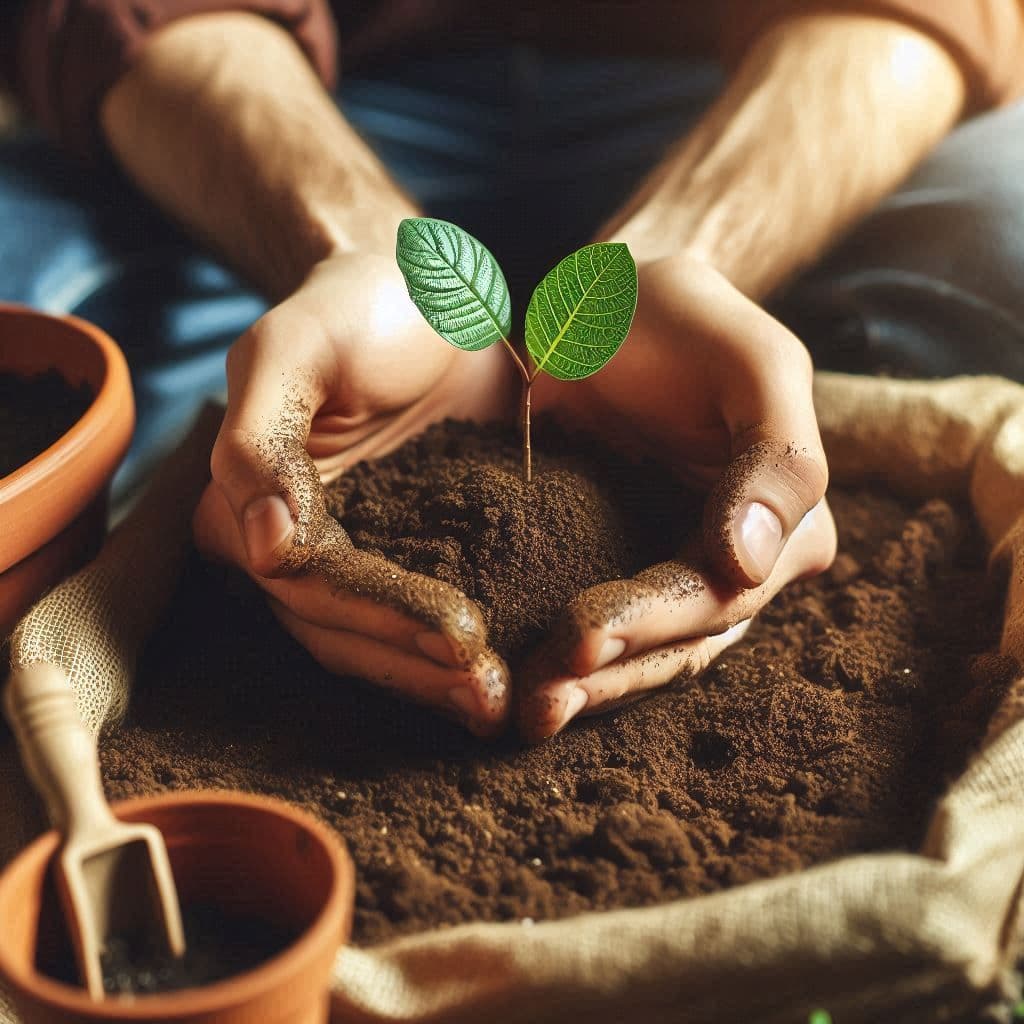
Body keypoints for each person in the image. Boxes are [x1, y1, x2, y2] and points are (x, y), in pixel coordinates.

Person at [2, 2, 1023, 741]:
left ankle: (757, 377)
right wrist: (357, 247)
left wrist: (681, 257)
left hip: (738, 87)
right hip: (312, 90)